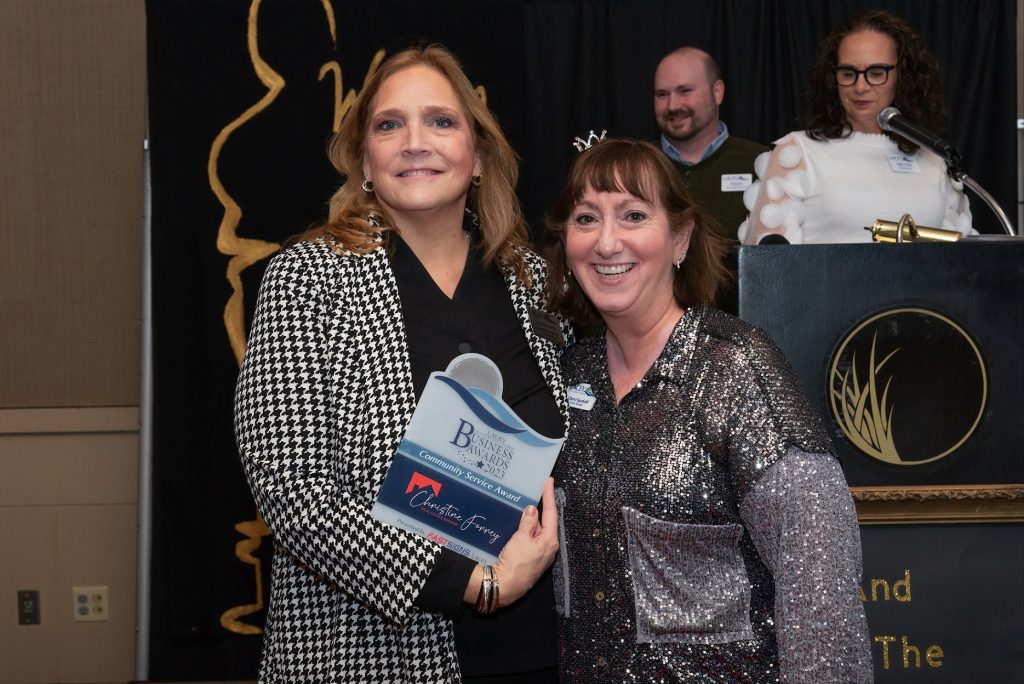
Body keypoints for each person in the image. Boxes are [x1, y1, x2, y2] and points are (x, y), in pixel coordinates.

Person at [235, 45, 568, 683]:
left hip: (543, 648)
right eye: (390, 125)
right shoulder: (310, 278)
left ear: (477, 157)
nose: (416, 141)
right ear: (365, 160)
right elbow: (293, 493)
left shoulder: (525, 279)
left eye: (441, 121)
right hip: (373, 652)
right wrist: (477, 583)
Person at [543, 138, 873, 682]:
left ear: (680, 237)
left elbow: (819, 592)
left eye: (632, 215)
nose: (606, 242)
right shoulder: (566, 375)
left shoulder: (737, 367)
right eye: (585, 218)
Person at [740, 9, 974, 244]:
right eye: (848, 72)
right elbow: (768, 267)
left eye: (876, 72)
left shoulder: (934, 158)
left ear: (902, 76)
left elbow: (962, 261)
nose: (860, 86)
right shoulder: (799, 151)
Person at [654, 47, 767, 241]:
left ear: (717, 92)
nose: (673, 105)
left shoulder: (761, 163)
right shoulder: (638, 165)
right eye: (662, 94)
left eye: (685, 91)